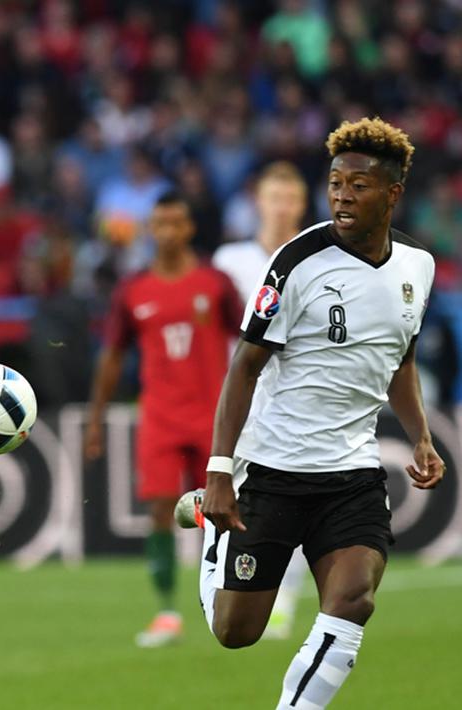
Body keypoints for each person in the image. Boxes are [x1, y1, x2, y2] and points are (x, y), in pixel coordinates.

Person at [178, 117, 443, 708]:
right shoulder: (297, 261)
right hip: (271, 470)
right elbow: (244, 366)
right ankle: (209, 522)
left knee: (355, 601)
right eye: (335, 183)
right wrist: (221, 472)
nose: (343, 196)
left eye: (359, 185)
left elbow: (400, 357)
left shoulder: (416, 269)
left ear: (393, 194)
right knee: (236, 632)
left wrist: (421, 437)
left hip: (352, 473)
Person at [84, 192, 243, 647]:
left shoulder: (215, 282)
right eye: (160, 223)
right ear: (150, 230)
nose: (169, 231)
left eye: (177, 222)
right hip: (160, 416)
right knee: (159, 509)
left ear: (190, 228)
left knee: (222, 511)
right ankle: (168, 611)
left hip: (213, 415)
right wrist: (96, 419)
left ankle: (224, 600)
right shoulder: (133, 289)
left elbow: (251, 345)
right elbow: (112, 357)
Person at [212, 160, 312, 640]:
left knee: (289, 499)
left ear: (301, 204)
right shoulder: (229, 261)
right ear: (259, 201)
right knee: (227, 493)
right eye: (274, 198)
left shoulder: (312, 254)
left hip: (295, 398)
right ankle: (222, 583)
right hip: (240, 396)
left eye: (290, 199)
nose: (281, 207)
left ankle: (282, 599)